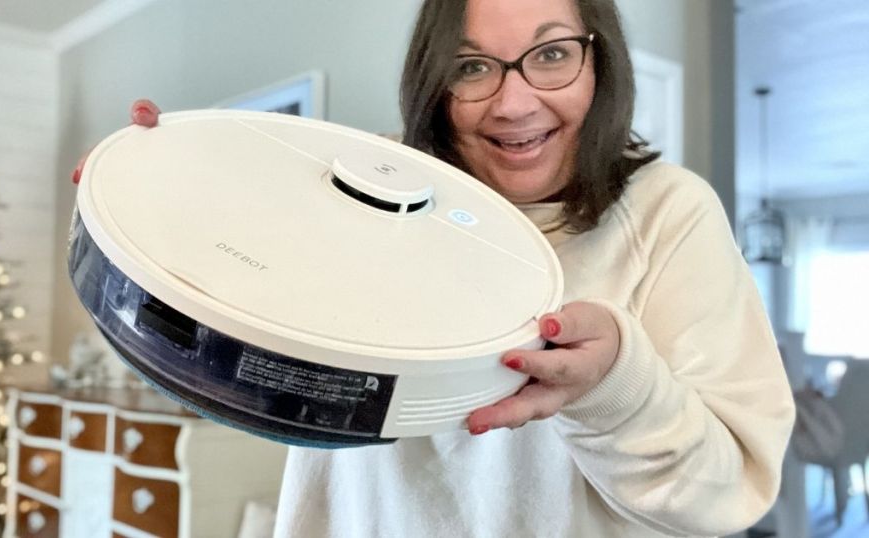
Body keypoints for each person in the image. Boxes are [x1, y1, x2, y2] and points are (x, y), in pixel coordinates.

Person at [73, 0, 795, 535]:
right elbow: (246, 349)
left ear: (599, 61)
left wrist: (615, 390)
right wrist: (148, 210)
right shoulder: (367, 179)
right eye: (471, 66)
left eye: (551, 55)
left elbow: (724, 496)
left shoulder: (670, 213)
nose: (514, 104)